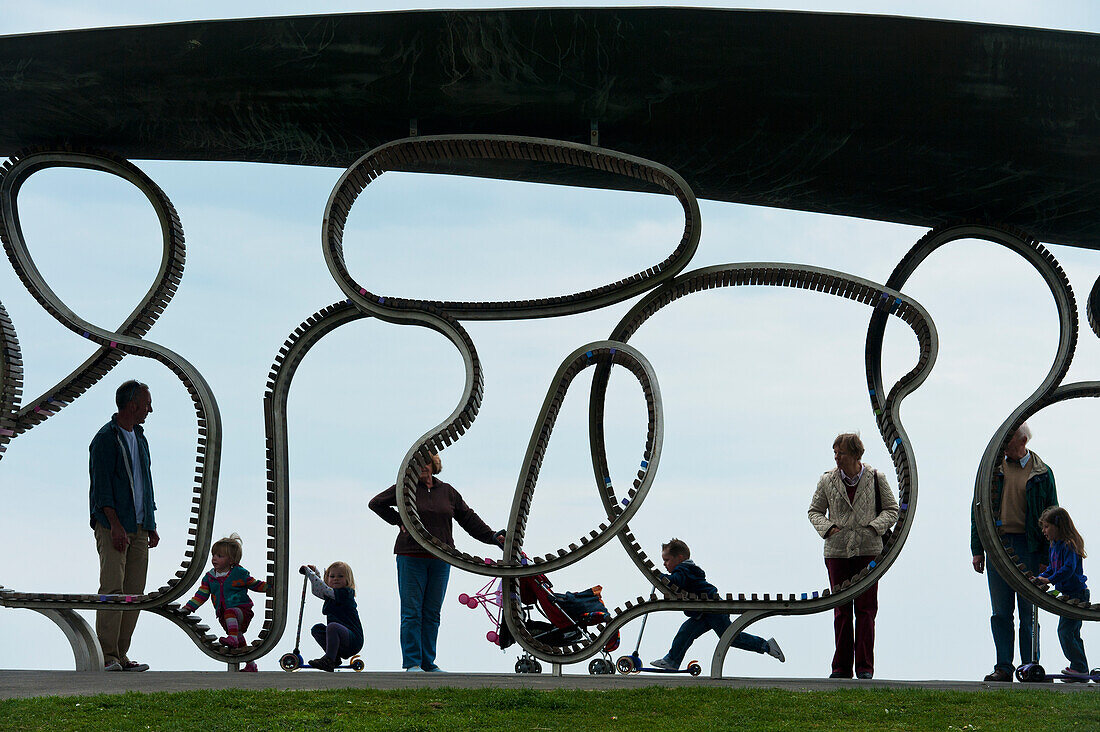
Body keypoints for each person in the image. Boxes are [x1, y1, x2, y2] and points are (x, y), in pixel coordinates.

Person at [369, 453, 505, 672]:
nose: (421, 466)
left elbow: (468, 519)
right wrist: (398, 521)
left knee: (432, 612)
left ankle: (428, 662)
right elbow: (376, 503)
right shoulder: (405, 488)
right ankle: (412, 662)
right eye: (416, 463)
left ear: (434, 465)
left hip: (441, 558)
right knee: (412, 611)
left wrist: (491, 536)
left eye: (426, 462)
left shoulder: (447, 492)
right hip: (411, 555)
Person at [970, 422, 1058, 682]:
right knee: (1000, 611)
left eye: (1008, 440)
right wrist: (978, 549)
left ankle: (1030, 666)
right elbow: (977, 509)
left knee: (1029, 612)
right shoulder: (992, 470)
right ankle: (1003, 667)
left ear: (1022, 441)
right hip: (998, 544)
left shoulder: (1042, 473)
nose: (1003, 446)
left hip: (1029, 546)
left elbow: (1053, 514)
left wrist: (1046, 558)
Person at [808, 432, 898, 680]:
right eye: (835, 453)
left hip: (868, 550)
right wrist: (828, 529)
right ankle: (841, 668)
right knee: (841, 609)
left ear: (856, 454)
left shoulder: (876, 478)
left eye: (841, 452)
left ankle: (865, 668)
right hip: (837, 552)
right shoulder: (827, 480)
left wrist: (873, 528)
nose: (837, 457)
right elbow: (814, 511)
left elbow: (892, 509)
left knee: (866, 610)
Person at [89, 379, 159, 672]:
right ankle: (106, 655)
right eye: (146, 404)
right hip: (113, 525)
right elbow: (102, 487)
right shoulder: (105, 438)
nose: (150, 410)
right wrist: (115, 525)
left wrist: (151, 522)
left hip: (140, 525)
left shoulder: (140, 438)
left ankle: (121, 652)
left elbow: (146, 483)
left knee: (134, 592)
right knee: (113, 588)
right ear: (133, 405)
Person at [651, 538, 785, 669]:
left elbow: (676, 581)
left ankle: (766, 645)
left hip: (713, 609)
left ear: (679, 558)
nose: (664, 564)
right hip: (705, 612)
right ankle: (672, 661)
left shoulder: (683, 569)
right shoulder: (686, 569)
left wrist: (660, 576)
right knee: (686, 632)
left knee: (732, 637)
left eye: (666, 560)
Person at [182, 533, 268, 672]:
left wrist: (271, 587)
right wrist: (189, 607)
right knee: (239, 638)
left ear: (231, 560)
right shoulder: (209, 577)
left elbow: (254, 584)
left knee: (231, 614)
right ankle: (250, 665)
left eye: (220, 556)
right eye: (214, 555)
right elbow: (201, 594)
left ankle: (232, 638)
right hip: (222, 614)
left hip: (241, 610)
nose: (214, 558)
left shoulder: (239, 573)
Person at [1035, 506, 1089, 680]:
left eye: (1047, 527)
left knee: (1065, 632)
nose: (1044, 531)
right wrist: (1041, 577)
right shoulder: (1054, 545)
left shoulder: (1069, 544)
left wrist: (1049, 580)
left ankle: (1079, 667)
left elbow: (1068, 569)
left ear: (1058, 526)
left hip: (1076, 595)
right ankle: (1079, 667)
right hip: (1068, 594)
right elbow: (1052, 568)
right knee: (1072, 633)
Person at [302, 561, 364, 672]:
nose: (336, 579)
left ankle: (329, 659)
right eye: (332, 576)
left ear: (348, 580)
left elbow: (323, 589)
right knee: (317, 629)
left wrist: (310, 574)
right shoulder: (331, 595)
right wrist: (315, 573)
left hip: (353, 640)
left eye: (340, 576)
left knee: (332, 627)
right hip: (341, 640)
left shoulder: (345, 593)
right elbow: (318, 590)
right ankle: (334, 658)